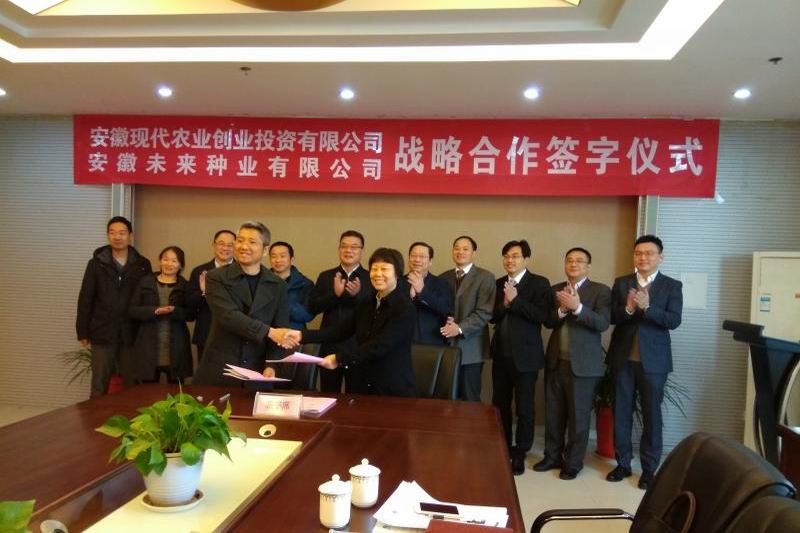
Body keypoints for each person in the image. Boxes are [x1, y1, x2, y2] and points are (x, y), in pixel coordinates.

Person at [606, 235, 683, 490]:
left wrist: (648, 307)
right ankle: (623, 464)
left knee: (652, 415)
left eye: (649, 253)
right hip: (622, 359)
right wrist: (628, 308)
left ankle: (649, 469)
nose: (643, 257)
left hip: (654, 363)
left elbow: (673, 320)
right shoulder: (622, 283)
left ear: (660, 257)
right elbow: (611, 317)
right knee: (621, 413)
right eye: (639, 253)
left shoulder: (672, 286)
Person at [285, 248, 417, 397]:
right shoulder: (367, 303)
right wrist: (301, 335)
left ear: (397, 273)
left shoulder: (404, 307)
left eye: (384, 269)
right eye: (374, 269)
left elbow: (380, 345)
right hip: (364, 382)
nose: (378, 274)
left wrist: (339, 359)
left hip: (392, 386)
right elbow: (341, 331)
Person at [536, 247, 610, 480]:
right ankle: (552, 456)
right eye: (569, 260)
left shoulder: (600, 290)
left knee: (578, 417)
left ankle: (573, 462)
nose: (574, 264)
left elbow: (602, 323)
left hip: (584, 366)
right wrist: (561, 309)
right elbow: (548, 322)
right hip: (556, 361)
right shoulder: (555, 289)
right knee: (553, 414)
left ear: (588, 266)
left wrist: (577, 307)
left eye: (579, 261)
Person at [193, 221, 290, 387]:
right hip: (221, 368)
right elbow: (229, 316)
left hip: (258, 370)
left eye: (252, 242)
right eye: (240, 240)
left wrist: (271, 365)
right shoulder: (216, 277)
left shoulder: (277, 284)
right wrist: (269, 331)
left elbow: (280, 327)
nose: (244, 246)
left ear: (265, 250)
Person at [490, 240, 552, 475]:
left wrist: (515, 301)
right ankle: (503, 445)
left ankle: (520, 451)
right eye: (506, 256)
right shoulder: (498, 283)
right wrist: (505, 304)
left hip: (526, 356)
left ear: (526, 259)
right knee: (500, 405)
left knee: (524, 407)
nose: (510, 260)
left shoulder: (539, 283)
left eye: (515, 256)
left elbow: (541, 316)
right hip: (501, 355)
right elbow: (492, 316)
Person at [76, 216, 152, 396]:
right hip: (102, 330)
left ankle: (130, 415)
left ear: (130, 236)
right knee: (99, 383)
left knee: (132, 383)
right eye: (112, 232)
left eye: (122, 233)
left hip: (131, 331)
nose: (117, 237)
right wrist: (82, 331)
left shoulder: (142, 264)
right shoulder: (96, 264)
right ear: (107, 235)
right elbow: (86, 297)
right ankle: (95, 414)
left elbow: (147, 298)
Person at [308, 230, 373, 393]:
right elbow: (313, 307)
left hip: (358, 347)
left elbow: (374, 311)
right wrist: (334, 295)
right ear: (339, 249)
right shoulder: (326, 276)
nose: (348, 250)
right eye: (344, 246)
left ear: (362, 251)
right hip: (329, 346)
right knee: (328, 394)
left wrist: (357, 296)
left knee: (357, 396)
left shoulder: (371, 278)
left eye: (354, 247)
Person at [440, 236, 496, 401]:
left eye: (465, 249)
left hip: (472, 348)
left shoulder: (485, 277)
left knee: (469, 398)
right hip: (445, 347)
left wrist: (459, 328)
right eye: (457, 248)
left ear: (473, 253)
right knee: (446, 399)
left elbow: (485, 312)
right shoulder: (443, 277)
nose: (460, 252)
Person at [128, 246, 195, 384]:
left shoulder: (185, 286)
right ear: (160, 261)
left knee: (176, 392)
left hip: (176, 346)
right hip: (148, 344)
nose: (169, 264)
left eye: (174, 261)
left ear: (181, 265)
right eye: (165, 259)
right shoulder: (145, 282)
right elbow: (132, 310)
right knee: (148, 392)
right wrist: (153, 311)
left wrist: (175, 311)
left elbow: (191, 314)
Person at [186, 229, 235, 363]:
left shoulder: (243, 271)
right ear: (213, 245)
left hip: (234, 335)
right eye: (221, 244)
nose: (225, 248)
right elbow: (189, 305)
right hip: (206, 333)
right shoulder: (200, 271)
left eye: (230, 245)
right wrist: (204, 292)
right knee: (206, 375)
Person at [406, 242, 452, 345]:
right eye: (414, 255)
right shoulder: (397, 282)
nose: (417, 259)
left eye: (422, 256)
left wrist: (422, 291)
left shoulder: (441, 283)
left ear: (430, 261)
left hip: (431, 342)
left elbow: (446, 309)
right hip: (401, 342)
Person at [269, 241, 314, 330]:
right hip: (267, 332)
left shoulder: (305, 283)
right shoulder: (262, 281)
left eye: (282, 256)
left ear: (292, 259)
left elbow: (308, 315)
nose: (278, 260)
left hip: (294, 334)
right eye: (273, 256)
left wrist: (282, 302)